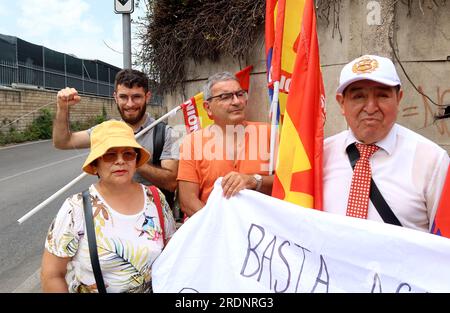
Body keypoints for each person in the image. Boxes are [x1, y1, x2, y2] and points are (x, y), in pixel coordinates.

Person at [41, 120, 176, 293]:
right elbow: (52, 275)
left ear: (136, 160)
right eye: (110, 155)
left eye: (128, 154)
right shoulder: (75, 209)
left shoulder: (156, 199)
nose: (120, 161)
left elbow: (173, 257)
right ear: (96, 163)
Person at [323, 54, 449, 232]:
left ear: (398, 98)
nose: (371, 107)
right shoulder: (321, 155)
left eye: (382, 95)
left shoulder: (432, 161)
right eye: (359, 96)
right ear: (341, 103)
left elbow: (445, 239)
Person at [52, 69, 179, 201]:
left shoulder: (168, 133)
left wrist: (132, 159)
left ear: (147, 97)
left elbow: (171, 183)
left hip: (152, 215)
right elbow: (62, 142)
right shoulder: (105, 131)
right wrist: (62, 108)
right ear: (115, 97)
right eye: (123, 97)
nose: (130, 104)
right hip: (109, 213)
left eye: (136, 97)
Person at [177, 71, 274, 217]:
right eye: (225, 97)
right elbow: (188, 201)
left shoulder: (269, 133)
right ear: (208, 108)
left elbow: (290, 182)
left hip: (263, 231)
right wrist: (222, 226)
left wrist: (254, 180)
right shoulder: (192, 143)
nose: (236, 101)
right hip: (214, 231)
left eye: (240, 94)